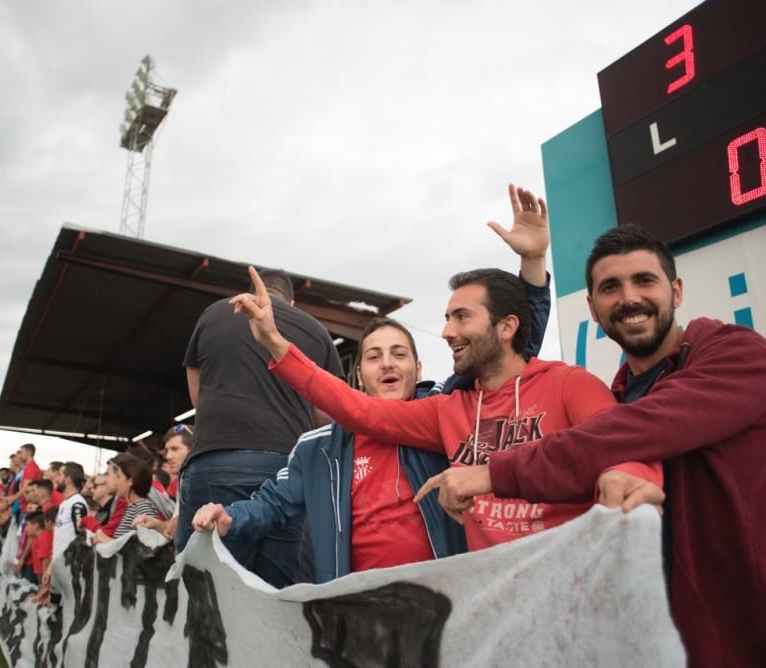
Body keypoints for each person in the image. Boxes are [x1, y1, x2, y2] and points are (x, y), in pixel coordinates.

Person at [422, 224, 766, 666]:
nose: (628, 298)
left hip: (762, 642)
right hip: (659, 643)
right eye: (610, 287)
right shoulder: (620, 393)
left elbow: (630, 431)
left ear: (677, 291)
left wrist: (489, 472)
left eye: (644, 280)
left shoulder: (737, 356)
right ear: (592, 307)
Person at [228, 186, 660, 552]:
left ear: (507, 326)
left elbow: (624, 448)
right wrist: (276, 344)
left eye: (461, 317)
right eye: (447, 317)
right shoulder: (446, 411)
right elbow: (355, 410)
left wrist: (630, 478)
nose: (446, 331)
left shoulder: (570, 385)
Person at [193, 317, 467, 583]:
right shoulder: (317, 447)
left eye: (399, 354)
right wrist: (231, 516)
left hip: (444, 600)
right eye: (374, 357)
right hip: (359, 608)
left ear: (418, 369)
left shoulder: (445, 418)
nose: (387, 364)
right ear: (358, 375)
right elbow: (274, 504)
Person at [177, 267, 346, 588]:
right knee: (274, 592)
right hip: (286, 469)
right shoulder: (316, 330)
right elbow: (329, 412)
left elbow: (198, 396)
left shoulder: (213, 315)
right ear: (291, 302)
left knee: (206, 590)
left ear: (251, 292)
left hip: (216, 459)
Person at [93, 454, 158, 543]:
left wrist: (108, 541)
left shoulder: (143, 508)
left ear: (130, 481)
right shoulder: (132, 507)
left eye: (119, 477)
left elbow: (146, 547)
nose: (116, 482)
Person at [51, 462, 88, 564]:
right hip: (58, 567)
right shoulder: (66, 502)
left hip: (68, 569)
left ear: (67, 479)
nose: (56, 479)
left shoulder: (77, 503)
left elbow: (81, 538)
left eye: (59, 475)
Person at [81, 473, 128, 538]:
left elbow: (105, 534)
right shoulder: (102, 509)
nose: (92, 490)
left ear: (106, 486)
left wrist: (87, 520)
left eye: (95, 486)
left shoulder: (115, 506)